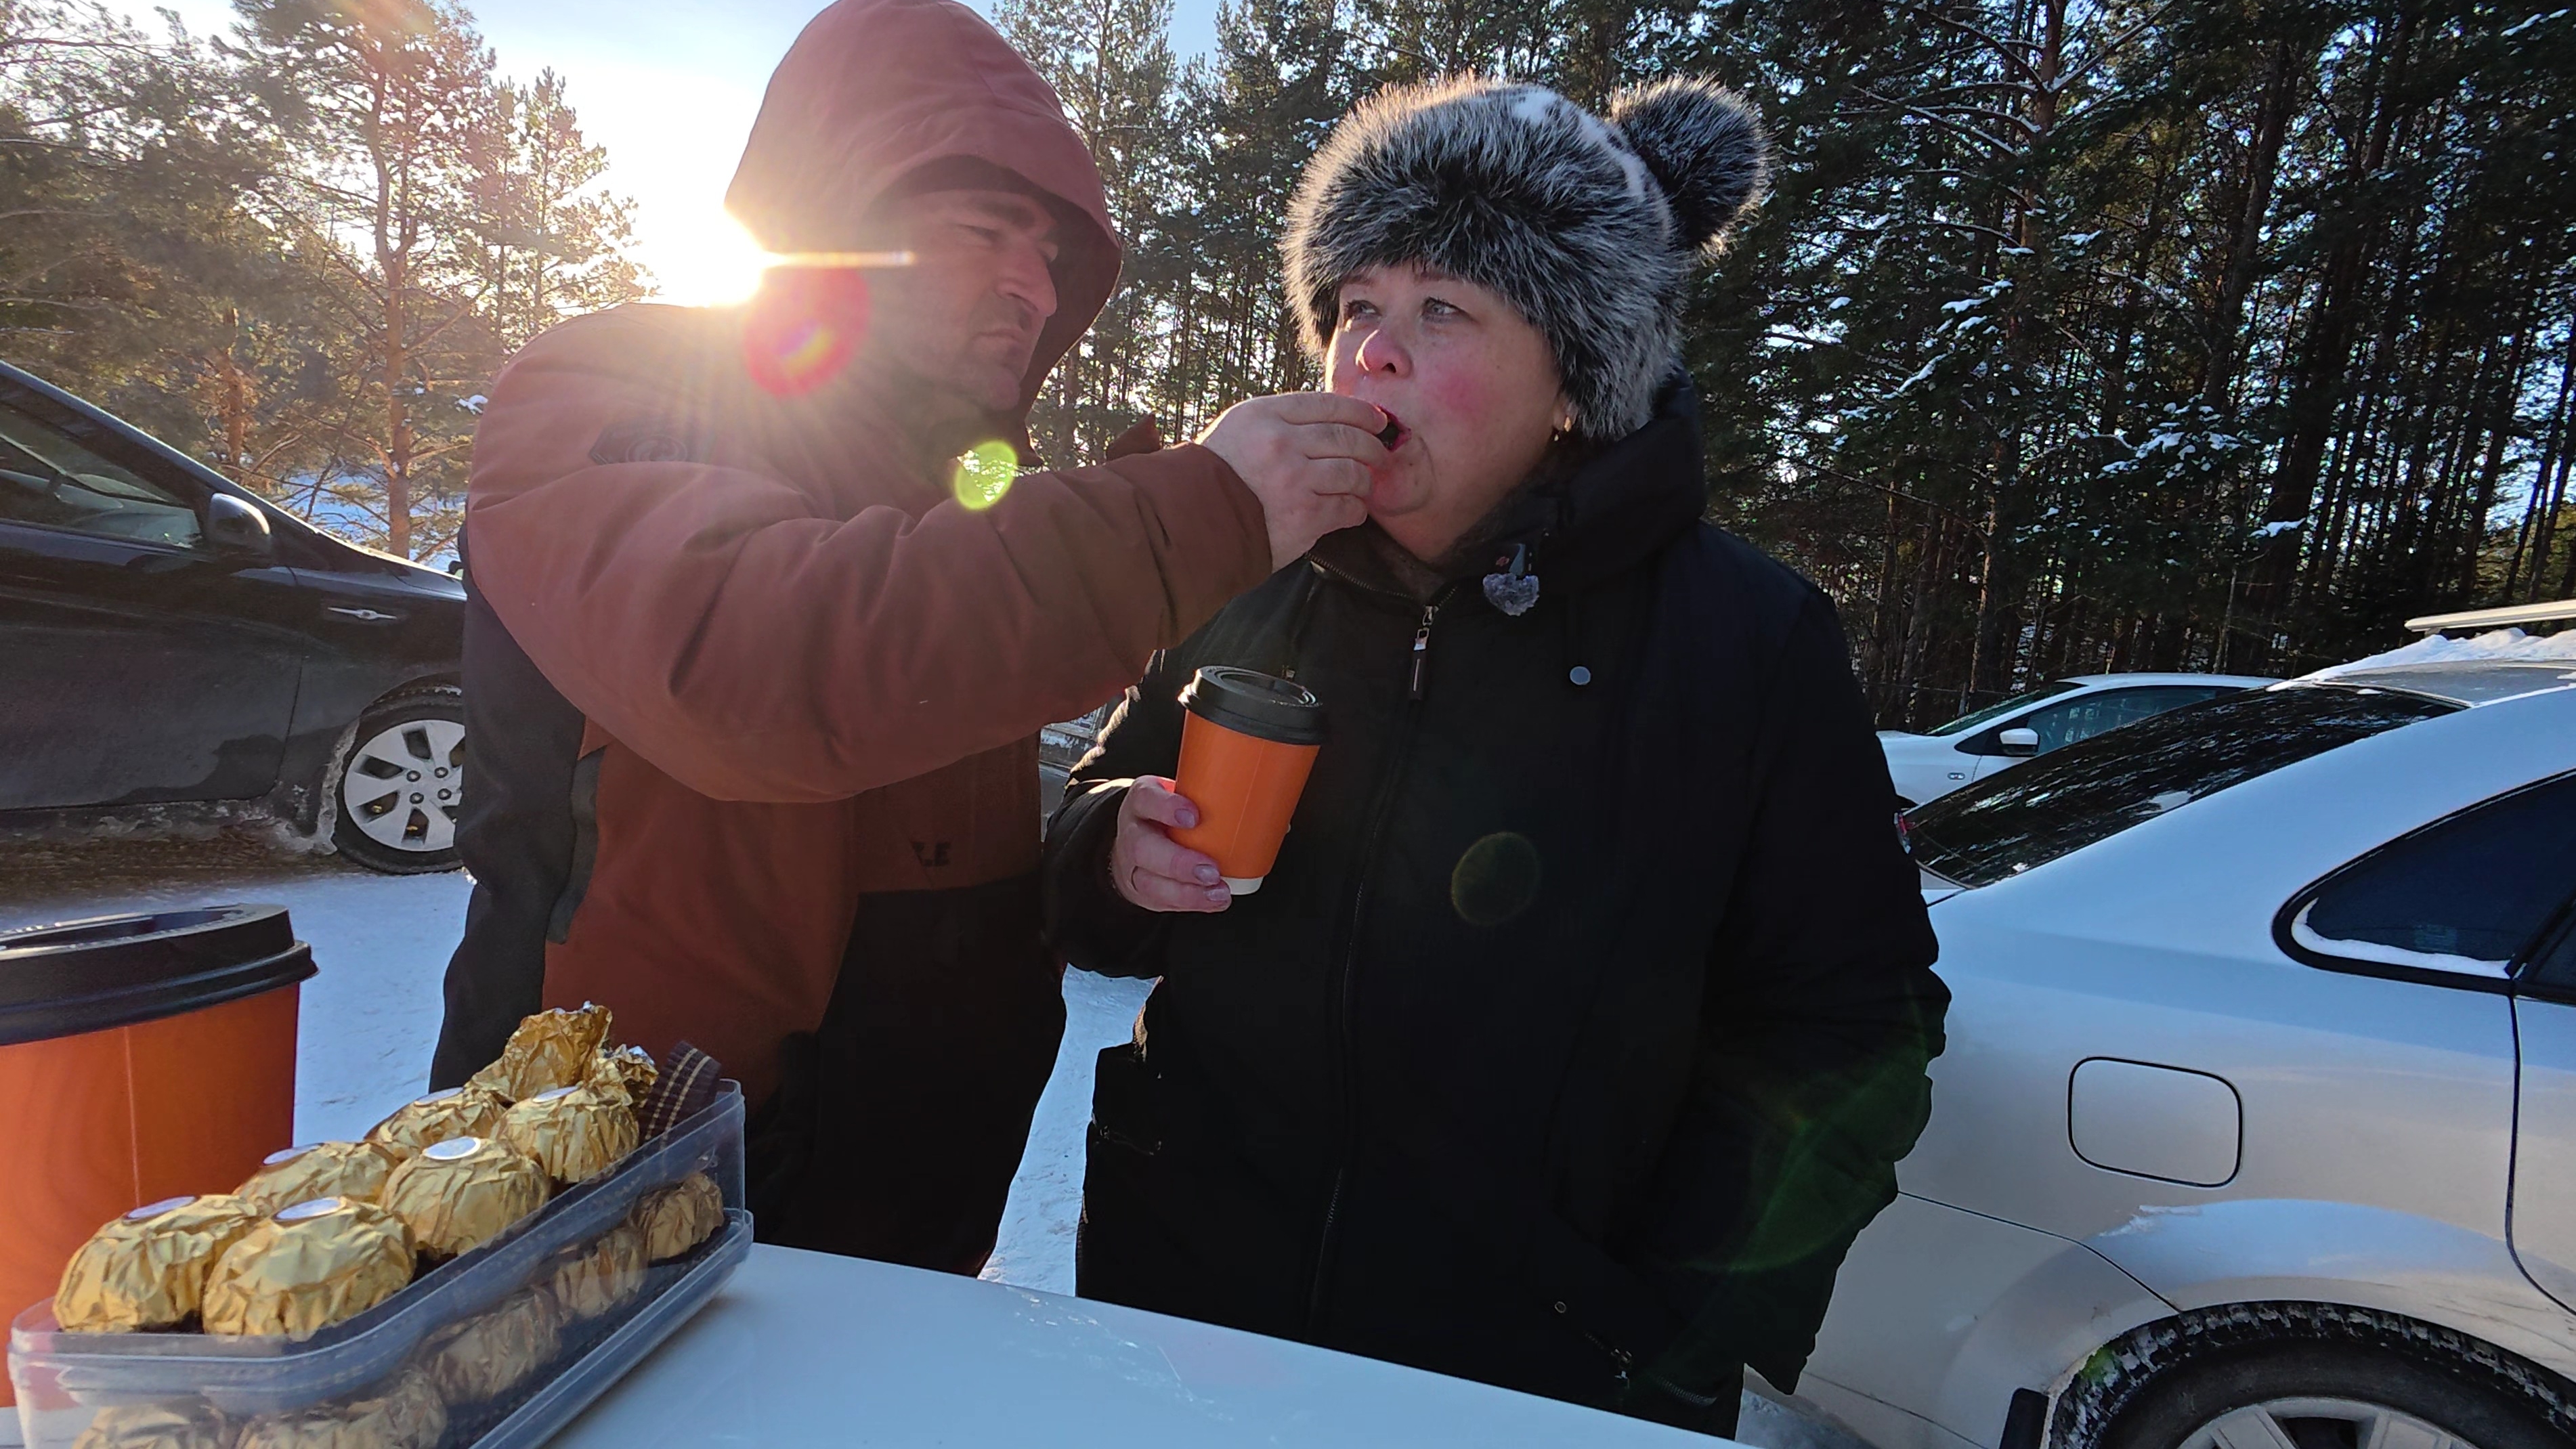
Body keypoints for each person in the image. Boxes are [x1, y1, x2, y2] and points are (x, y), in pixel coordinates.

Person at [1042, 77, 1949, 1434]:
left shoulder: (1747, 641)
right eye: (1355, 307)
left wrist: (1675, 1321)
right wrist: (1112, 843)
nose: (1372, 352)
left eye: (1442, 309)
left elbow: (1852, 1019)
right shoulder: (1252, 584)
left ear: (1578, 381)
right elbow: (1077, 863)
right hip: (1193, 1331)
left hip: (1541, 1384)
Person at [429, 0, 1387, 1276]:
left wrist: (1097, 853)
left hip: (905, 1223)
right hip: (616, 1187)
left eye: (1054, 255)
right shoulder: (624, 392)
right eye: (988, 230)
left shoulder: (975, 497)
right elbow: (756, 667)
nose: (1035, 289)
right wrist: (1203, 510)